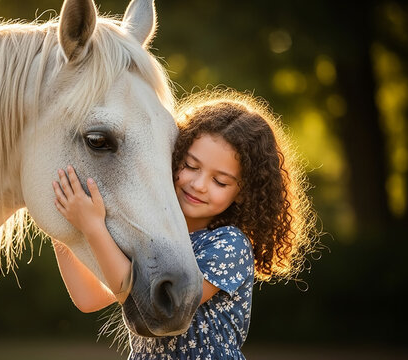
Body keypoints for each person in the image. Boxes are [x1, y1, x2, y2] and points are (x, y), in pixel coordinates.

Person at [51, 90, 317, 359]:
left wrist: (93, 228)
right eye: (191, 166)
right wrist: (63, 219)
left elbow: (157, 307)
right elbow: (89, 298)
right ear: (175, 156)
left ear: (244, 191)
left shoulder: (229, 244)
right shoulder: (149, 235)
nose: (199, 185)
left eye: (220, 182)